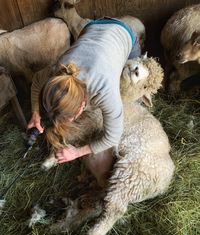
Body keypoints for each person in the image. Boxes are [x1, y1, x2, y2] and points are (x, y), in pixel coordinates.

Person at [27, 18, 141, 164]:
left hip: (124, 34)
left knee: (132, 84)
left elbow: (113, 136)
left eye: (72, 118)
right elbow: (37, 81)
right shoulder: (56, 72)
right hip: (91, 29)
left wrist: (77, 152)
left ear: (82, 105)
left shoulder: (104, 90)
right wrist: (35, 113)